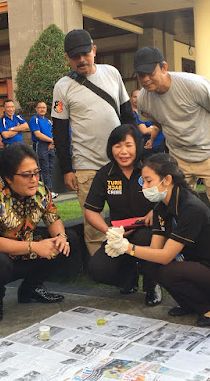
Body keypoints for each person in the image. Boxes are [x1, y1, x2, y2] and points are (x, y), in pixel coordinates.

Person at [105, 153, 210, 327]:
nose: (145, 187)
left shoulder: (190, 207)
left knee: (169, 271)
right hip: (194, 264)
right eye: (143, 182)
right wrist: (123, 243)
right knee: (150, 264)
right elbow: (155, 249)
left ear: (167, 180)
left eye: (149, 181)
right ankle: (190, 303)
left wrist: (127, 247)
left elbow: (165, 256)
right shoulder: (160, 207)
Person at [52, 29, 137, 256]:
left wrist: (134, 154)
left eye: (85, 53)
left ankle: (129, 262)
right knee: (93, 223)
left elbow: (128, 116)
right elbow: (59, 132)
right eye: (74, 56)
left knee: (125, 217)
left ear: (94, 50)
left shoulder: (112, 73)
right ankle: (102, 266)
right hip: (86, 166)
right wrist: (67, 169)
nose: (81, 60)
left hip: (120, 164)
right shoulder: (62, 87)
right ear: (67, 58)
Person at [0, 143, 70, 324]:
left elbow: (54, 219)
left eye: (36, 172)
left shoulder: (41, 190)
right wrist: (35, 246)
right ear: (8, 178)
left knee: (67, 242)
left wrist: (61, 237)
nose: (34, 179)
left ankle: (31, 289)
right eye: (26, 175)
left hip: (23, 255)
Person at [134, 46, 210, 211]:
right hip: (179, 157)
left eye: (150, 73)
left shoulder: (193, 85)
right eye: (140, 75)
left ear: (164, 67)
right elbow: (157, 121)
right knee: (178, 209)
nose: (145, 79)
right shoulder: (143, 99)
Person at [84, 124, 162, 306]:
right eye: (117, 146)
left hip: (151, 231)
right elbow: (90, 210)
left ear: (137, 146)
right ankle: (129, 277)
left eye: (128, 145)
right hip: (120, 234)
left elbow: (171, 194)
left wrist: (156, 210)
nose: (123, 151)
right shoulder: (106, 174)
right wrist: (109, 230)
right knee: (98, 269)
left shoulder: (150, 167)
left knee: (144, 237)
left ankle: (152, 284)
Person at [29, 102, 58, 199]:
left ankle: (48, 190)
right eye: (40, 107)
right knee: (43, 168)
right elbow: (38, 134)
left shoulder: (48, 121)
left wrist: (52, 142)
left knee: (49, 169)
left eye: (44, 108)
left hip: (50, 146)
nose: (42, 109)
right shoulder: (34, 119)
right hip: (40, 145)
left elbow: (52, 132)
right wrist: (51, 140)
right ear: (36, 109)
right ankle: (46, 191)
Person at [130, 89, 165, 158]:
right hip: (149, 146)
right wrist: (157, 127)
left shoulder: (149, 110)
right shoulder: (133, 113)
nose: (137, 99)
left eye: (139, 97)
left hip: (161, 144)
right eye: (135, 97)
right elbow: (144, 131)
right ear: (130, 98)